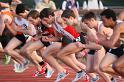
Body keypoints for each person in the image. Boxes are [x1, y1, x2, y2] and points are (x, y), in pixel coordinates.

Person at [96, 9, 124, 77]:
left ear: (110, 19)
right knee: (102, 67)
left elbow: (110, 44)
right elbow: (116, 44)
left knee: (116, 66)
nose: (102, 23)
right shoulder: (114, 26)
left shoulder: (118, 26)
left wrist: (97, 40)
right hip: (121, 47)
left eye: (104, 20)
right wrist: (105, 40)